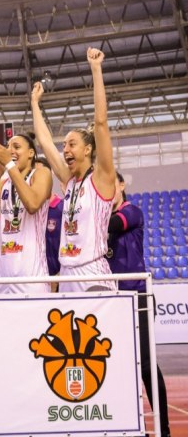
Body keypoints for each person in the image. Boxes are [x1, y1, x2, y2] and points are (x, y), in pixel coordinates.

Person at [31, 48, 116, 292]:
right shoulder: (70, 181)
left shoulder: (101, 178)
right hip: (66, 273)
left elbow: (100, 123)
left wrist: (96, 69)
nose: (65, 149)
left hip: (92, 273)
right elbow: (45, 143)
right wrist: (35, 104)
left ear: (88, 149)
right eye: (64, 145)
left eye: (71, 144)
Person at [106, 172, 171, 437]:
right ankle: (137, 428)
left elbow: (112, 225)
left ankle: (163, 429)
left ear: (121, 185)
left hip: (138, 298)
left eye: (112, 182)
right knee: (121, 366)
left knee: (144, 365)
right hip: (111, 301)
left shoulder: (131, 212)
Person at [0, 133, 52, 293]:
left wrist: (9, 165)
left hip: (32, 277)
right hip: (2, 277)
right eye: (8, 148)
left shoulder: (41, 174)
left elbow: (32, 204)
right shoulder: (4, 183)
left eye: (16, 147)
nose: (10, 151)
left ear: (31, 153)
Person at [35, 156, 63, 278]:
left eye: (41, 173)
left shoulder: (62, 208)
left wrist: (60, 274)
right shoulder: (26, 211)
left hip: (59, 277)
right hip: (33, 277)